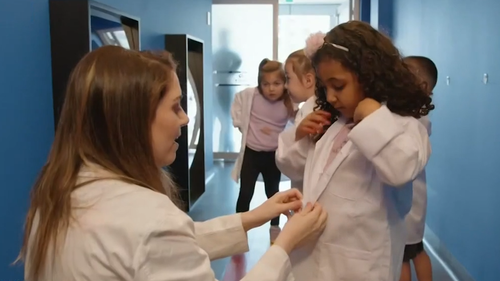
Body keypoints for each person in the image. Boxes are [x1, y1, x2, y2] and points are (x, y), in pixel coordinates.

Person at [17, 46, 328, 281]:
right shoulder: (149, 218)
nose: (185, 118)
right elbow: (160, 241)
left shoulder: (59, 194)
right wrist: (284, 246)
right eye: (176, 106)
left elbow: (170, 247)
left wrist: (251, 218)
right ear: (134, 121)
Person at [275, 21, 434, 281]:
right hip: (310, 261)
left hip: (363, 267)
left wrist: (373, 119)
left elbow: (400, 168)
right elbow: (291, 166)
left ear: (370, 77)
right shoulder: (332, 125)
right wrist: (301, 137)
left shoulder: (406, 127)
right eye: (325, 87)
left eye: (338, 86)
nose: (332, 97)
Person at [231, 59, 295, 244]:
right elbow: (237, 103)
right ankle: (238, 231)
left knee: (273, 193)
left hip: (272, 156)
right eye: (266, 84)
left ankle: (274, 229)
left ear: (284, 84)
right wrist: (239, 124)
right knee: (245, 193)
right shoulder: (252, 95)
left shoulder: (288, 102)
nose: (271, 89)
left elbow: (298, 121)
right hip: (252, 154)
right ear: (260, 84)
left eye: (276, 83)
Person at [399, 55, 438, 281]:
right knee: (416, 250)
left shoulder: (413, 120)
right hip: (414, 201)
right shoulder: (417, 117)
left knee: (402, 256)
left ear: (421, 86)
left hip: (408, 201)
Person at [278, 48, 318, 193]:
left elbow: (297, 164)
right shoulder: (307, 109)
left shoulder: (311, 113)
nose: (286, 86)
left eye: (288, 78)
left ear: (308, 80)